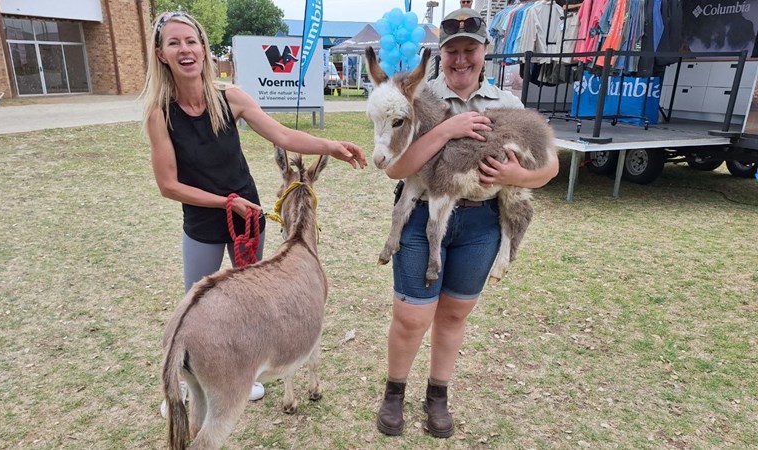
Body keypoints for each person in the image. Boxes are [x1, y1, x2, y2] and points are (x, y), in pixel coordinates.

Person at [141, 11, 366, 415]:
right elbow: (168, 185)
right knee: (200, 303)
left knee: (251, 305)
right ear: (161, 54)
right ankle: (195, 387)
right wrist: (224, 202)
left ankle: (242, 373)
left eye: (191, 41)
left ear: (204, 48)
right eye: (174, 43)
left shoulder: (232, 98)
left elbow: (282, 134)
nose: (185, 49)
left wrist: (329, 145)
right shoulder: (160, 114)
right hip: (204, 223)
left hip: (247, 219)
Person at [375, 7, 559, 439]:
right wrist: (446, 130)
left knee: (454, 316)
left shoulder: (507, 104)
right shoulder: (418, 93)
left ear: (484, 52)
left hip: (480, 224)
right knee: (410, 317)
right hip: (424, 216)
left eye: (470, 50)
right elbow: (396, 170)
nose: (461, 59)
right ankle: (394, 393)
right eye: (452, 50)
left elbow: (549, 166)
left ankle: (437, 396)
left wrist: (518, 177)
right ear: (440, 54)